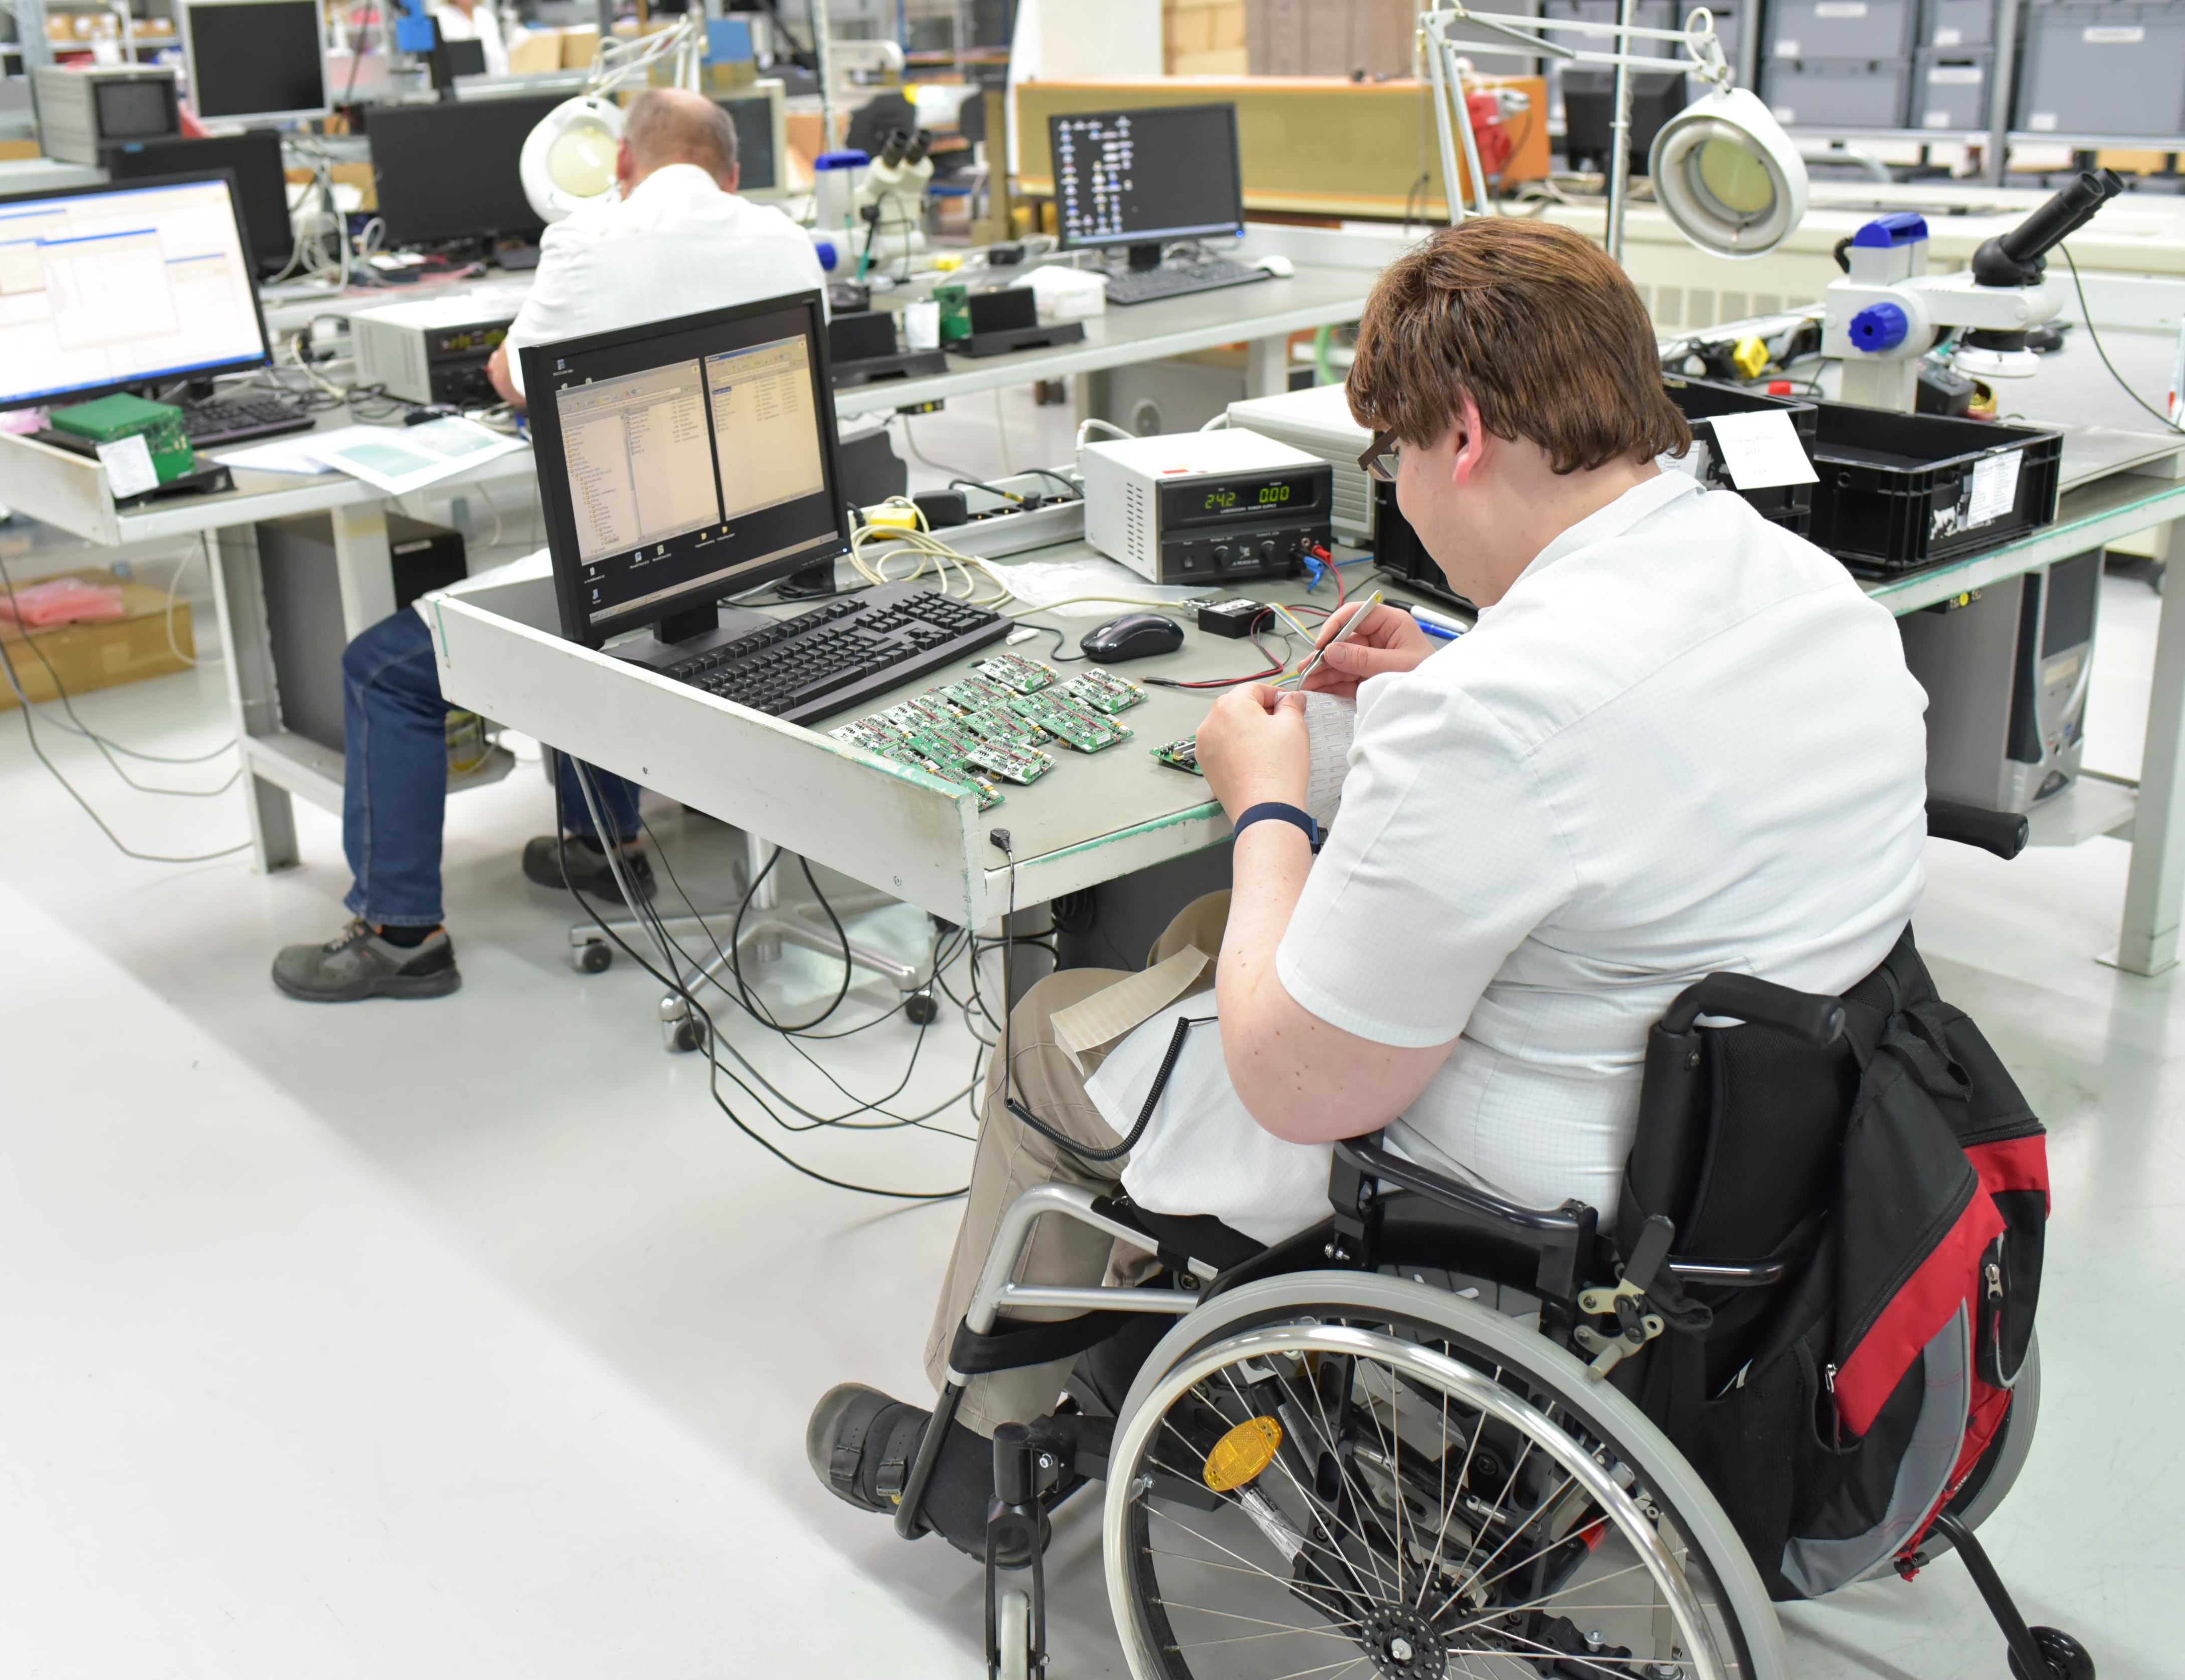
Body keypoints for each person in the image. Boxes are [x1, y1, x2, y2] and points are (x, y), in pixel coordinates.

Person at [804, 217, 1932, 1558]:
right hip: (1773, 1143)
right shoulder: (1805, 589)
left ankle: (984, 1452)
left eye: (1394, 453)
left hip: (1548, 1181)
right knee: (1198, 938)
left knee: (1057, 1038)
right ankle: (1161, 1329)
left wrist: (1266, 798)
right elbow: (1648, 751)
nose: (1398, 487)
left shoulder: (1495, 714)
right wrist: (1442, 669)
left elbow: (1299, 1084)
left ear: (1460, 435)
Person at [272, 87, 826, 1003]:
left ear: (618, 166)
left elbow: (515, 376)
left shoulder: (589, 239)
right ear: (733, 175)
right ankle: (603, 847)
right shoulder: (783, 237)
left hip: (631, 572)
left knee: (391, 666)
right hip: (755, 561)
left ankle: (400, 933)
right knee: (612, 606)